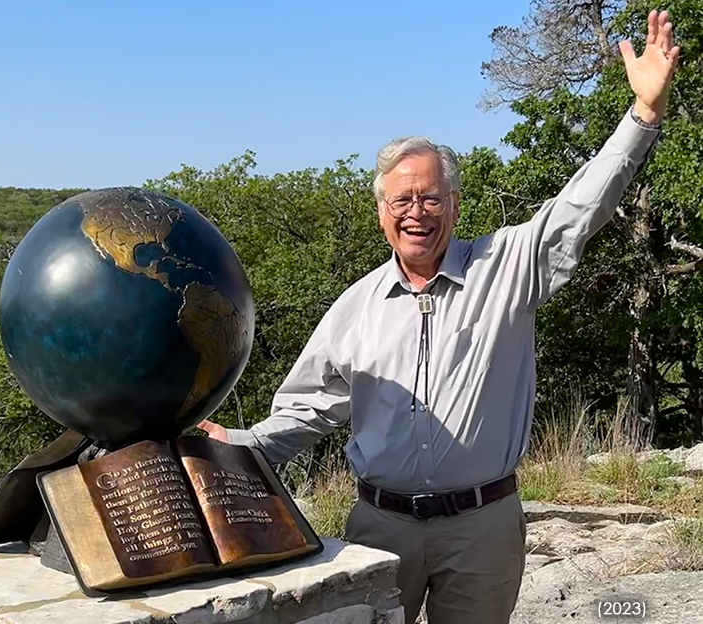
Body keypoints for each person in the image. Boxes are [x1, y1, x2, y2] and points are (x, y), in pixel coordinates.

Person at [198, 10, 680, 624]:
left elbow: (579, 208)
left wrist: (642, 116)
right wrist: (239, 445)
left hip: (483, 527)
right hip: (379, 525)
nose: (416, 211)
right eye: (402, 199)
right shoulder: (357, 306)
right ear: (382, 213)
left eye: (430, 197)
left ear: (454, 204)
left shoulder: (506, 268)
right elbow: (309, 409)